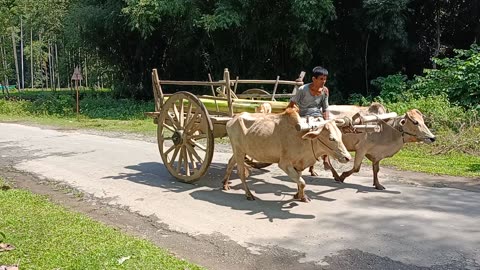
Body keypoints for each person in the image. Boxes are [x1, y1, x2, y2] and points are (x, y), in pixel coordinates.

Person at [287, 66, 331, 175]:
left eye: (325, 79)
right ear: (314, 79)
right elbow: (292, 104)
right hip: (302, 116)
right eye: (321, 79)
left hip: (317, 116)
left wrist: (327, 121)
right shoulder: (303, 90)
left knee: (328, 134)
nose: (323, 82)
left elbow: (325, 108)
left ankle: (326, 158)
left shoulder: (325, 91)